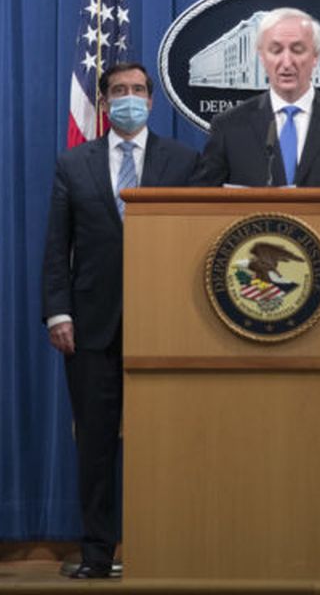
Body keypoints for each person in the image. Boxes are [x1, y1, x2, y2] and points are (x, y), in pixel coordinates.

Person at [41, 61, 197, 581]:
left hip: (166, 325)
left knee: (165, 444)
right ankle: (97, 553)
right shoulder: (74, 163)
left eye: (137, 90)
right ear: (104, 103)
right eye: (118, 91)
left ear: (152, 100)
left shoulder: (183, 161)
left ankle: (163, 546)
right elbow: (56, 247)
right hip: (91, 326)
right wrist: (57, 311)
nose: (128, 98)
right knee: (97, 446)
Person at [191, 7, 320, 188]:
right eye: (276, 50)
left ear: (315, 56)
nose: (287, 62)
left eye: (297, 50)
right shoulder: (228, 127)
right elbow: (203, 205)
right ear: (262, 57)